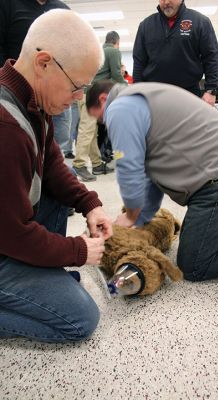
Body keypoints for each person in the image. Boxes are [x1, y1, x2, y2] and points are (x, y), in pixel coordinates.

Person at [0, 10, 113, 343]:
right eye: (77, 87)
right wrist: (76, 251)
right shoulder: (6, 128)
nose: (79, 98)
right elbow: (13, 235)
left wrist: (89, 203)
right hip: (7, 239)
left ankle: (39, 274)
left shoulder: (32, 101)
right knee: (80, 319)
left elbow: (51, 166)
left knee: (61, 197)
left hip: (8, 230)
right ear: (44, 63)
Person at [86, 80, 218, 282]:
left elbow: (128, 165)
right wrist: (142, 218)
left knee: (195, 262)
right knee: (210, 239)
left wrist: (131, 213)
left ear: (103, 99)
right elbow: (151, 177)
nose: (105, 124)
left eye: (100, 118)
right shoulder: (141, 99)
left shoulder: (120, 107)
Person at [0, 0, 73, 157]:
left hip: (55, 94)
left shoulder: (63, 10)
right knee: (19, 149)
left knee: (55, 148)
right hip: (16, 95)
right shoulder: (8, 4)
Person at [133, 0, 218, 106]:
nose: (166, 2)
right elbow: (138, 61)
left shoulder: (200, 21)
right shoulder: (146, 25)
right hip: (154, 96)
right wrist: (137, 91)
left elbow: (211, 57)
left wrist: (211, 90)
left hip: (189, 94)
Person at [72, 31, 126, 182]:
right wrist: (128, 87)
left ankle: (96, 164)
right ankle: (79, 164)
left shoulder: (99, 50)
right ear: (117, 42)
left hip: (85, 92)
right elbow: (116, 74)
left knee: (92, 131)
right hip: (92, 94)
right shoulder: (114, 51)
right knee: (87, 129)